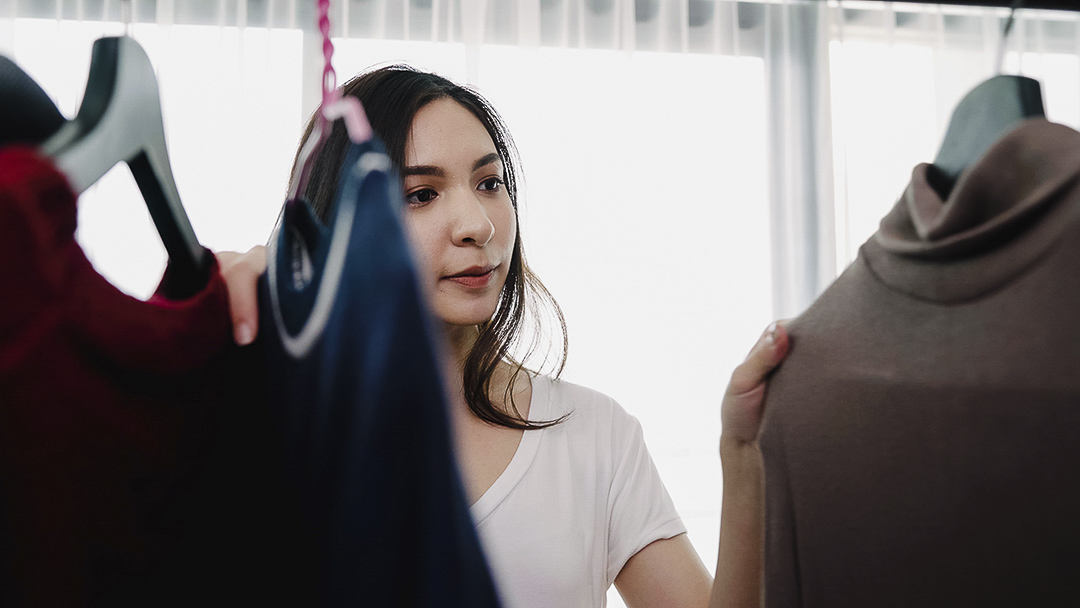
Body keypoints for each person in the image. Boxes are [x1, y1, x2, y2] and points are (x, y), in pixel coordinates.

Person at [216, 64, 787, 608]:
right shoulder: (281, 428)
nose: (479, 225)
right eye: (421, 194)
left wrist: (743, 455)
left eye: (489, 183)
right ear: (339, 219)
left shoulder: (594, 437)